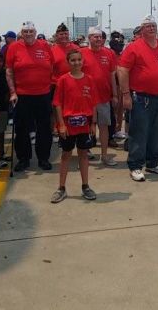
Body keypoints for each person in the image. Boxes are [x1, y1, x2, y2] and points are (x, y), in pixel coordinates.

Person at [118, 15, 158, 182]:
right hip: (141, 98)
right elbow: (122, 70)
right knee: (140, 132)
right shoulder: (133, 47)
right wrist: (126, 95)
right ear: (142, 30)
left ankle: (153, 162)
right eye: (148, 26)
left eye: (153, 25)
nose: (151, 28)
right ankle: (135, 165)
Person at [6, 22, 55, 172]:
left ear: (35, 32)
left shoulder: (45, 46)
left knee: (44, 128)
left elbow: (51, 66)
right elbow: (9, 72)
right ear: (21, 33)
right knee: (21, 129)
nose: (28, 34)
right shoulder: (14, 47)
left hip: (43, 94)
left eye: (31, 31)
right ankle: (23, 159)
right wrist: (13, 92)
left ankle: (43, 158)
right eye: (25, 31)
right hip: (22, 95)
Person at [51, 49, 98, 202]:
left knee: (83, 154)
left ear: (82, 61)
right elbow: (57, 104)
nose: (77, 62)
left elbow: (94, 104)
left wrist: (93, 124)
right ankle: (61, 188)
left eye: (79, 59)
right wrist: (61, 125)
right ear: (68, 62)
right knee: (66, 155)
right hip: (68, 125)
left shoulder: (89, 79)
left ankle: (85, 186)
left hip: (84, 125)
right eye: (73, 60)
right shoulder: (63, 80)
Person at [81, 26, 118, 166]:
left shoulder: (109, 54)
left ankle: (104, 155)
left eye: (100, 37)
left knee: (104, 126)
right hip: (85, 98)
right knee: (84, 128)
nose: (98, 39)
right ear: (89, 38)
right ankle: (84, 156)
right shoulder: (81, 53)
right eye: (95, 36)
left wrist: (114, 95)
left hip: (103, 98)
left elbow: (112, 76)